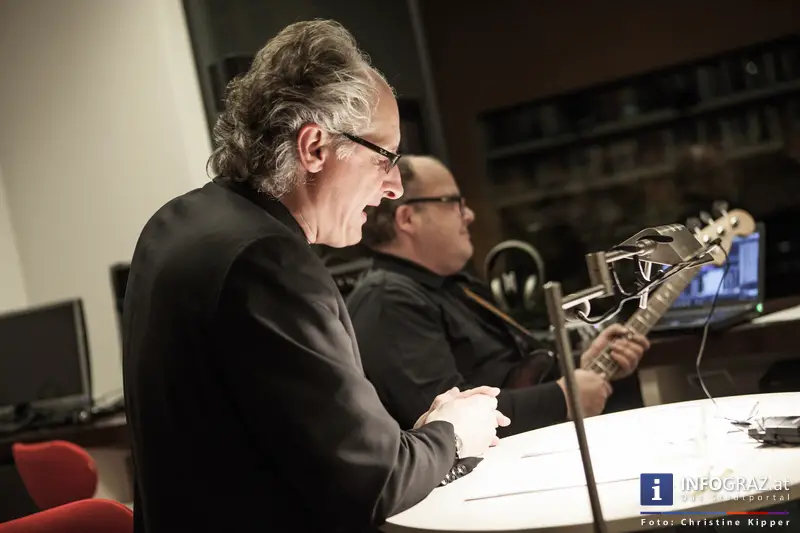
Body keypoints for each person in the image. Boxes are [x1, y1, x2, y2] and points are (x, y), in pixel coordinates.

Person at [122, 21, 508, 533]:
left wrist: (417, 442)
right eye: (385, 157)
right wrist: (454, 432)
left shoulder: (177, 222)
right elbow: (372, 486)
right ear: (315, 148)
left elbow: (290, 448)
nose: (393, 187)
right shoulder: (267, 261)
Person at [347, 155, 650, 435]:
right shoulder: (388, 299)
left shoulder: (455, 287)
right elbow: (444, 420)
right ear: (408, 218)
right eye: (453, 202)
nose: (469, 215)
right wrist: (562, 398)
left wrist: (577, 365)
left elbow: (511, 372)